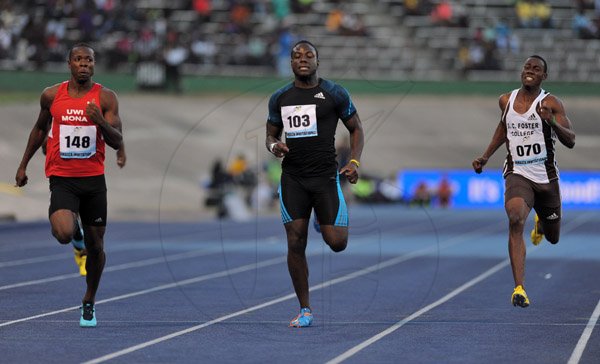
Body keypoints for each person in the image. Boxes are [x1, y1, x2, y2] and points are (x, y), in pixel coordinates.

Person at [15, 43, 123, 327]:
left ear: (94, 65)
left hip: (93, 182)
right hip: (63, 178)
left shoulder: (106, 97)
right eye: (79, 59)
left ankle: (89, 300)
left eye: (89, 60)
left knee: (97, 247)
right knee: (63, 232)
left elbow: (117, 140)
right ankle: (75, 238)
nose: (84, 64)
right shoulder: (52, 95)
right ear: (70, 64)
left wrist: (100, 121)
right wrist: (23, 164)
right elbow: (39, 129)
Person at [265, 40, 364, 327]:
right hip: (293, 178)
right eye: (297, 56)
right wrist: (275, 147)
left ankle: (324, 221)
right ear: (291, 63)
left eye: (309, 55)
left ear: (318, 62)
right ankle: (305, 309)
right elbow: (270, 136)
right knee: (295, 241)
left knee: (337, 243)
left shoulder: (334, 93)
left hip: (325, 178)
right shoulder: (280, 98)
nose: (303, 59)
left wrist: (354, 161)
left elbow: (356, 127)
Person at [472, 55, 575, 308]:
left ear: (544, 76)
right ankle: (519, 288)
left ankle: (542, 221)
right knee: (515, 217)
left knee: (553, 238)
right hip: (517, 172)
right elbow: (504, 127)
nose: (530, 71)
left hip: (546, 178)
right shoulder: (506, 100)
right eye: (527, 67)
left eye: (536, 69)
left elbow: (571, 140)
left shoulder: (550, 102)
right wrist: (485, 156)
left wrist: (551, 122)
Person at [41, 128, 126, 277]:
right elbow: (41, 125)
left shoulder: (99, 105)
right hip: (64, 172)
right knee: (65, 229)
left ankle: (81, 246)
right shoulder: (54, 105)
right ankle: (77, 238)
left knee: (89, 224)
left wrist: (121, 149)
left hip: (90, 172)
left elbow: (115, 125)